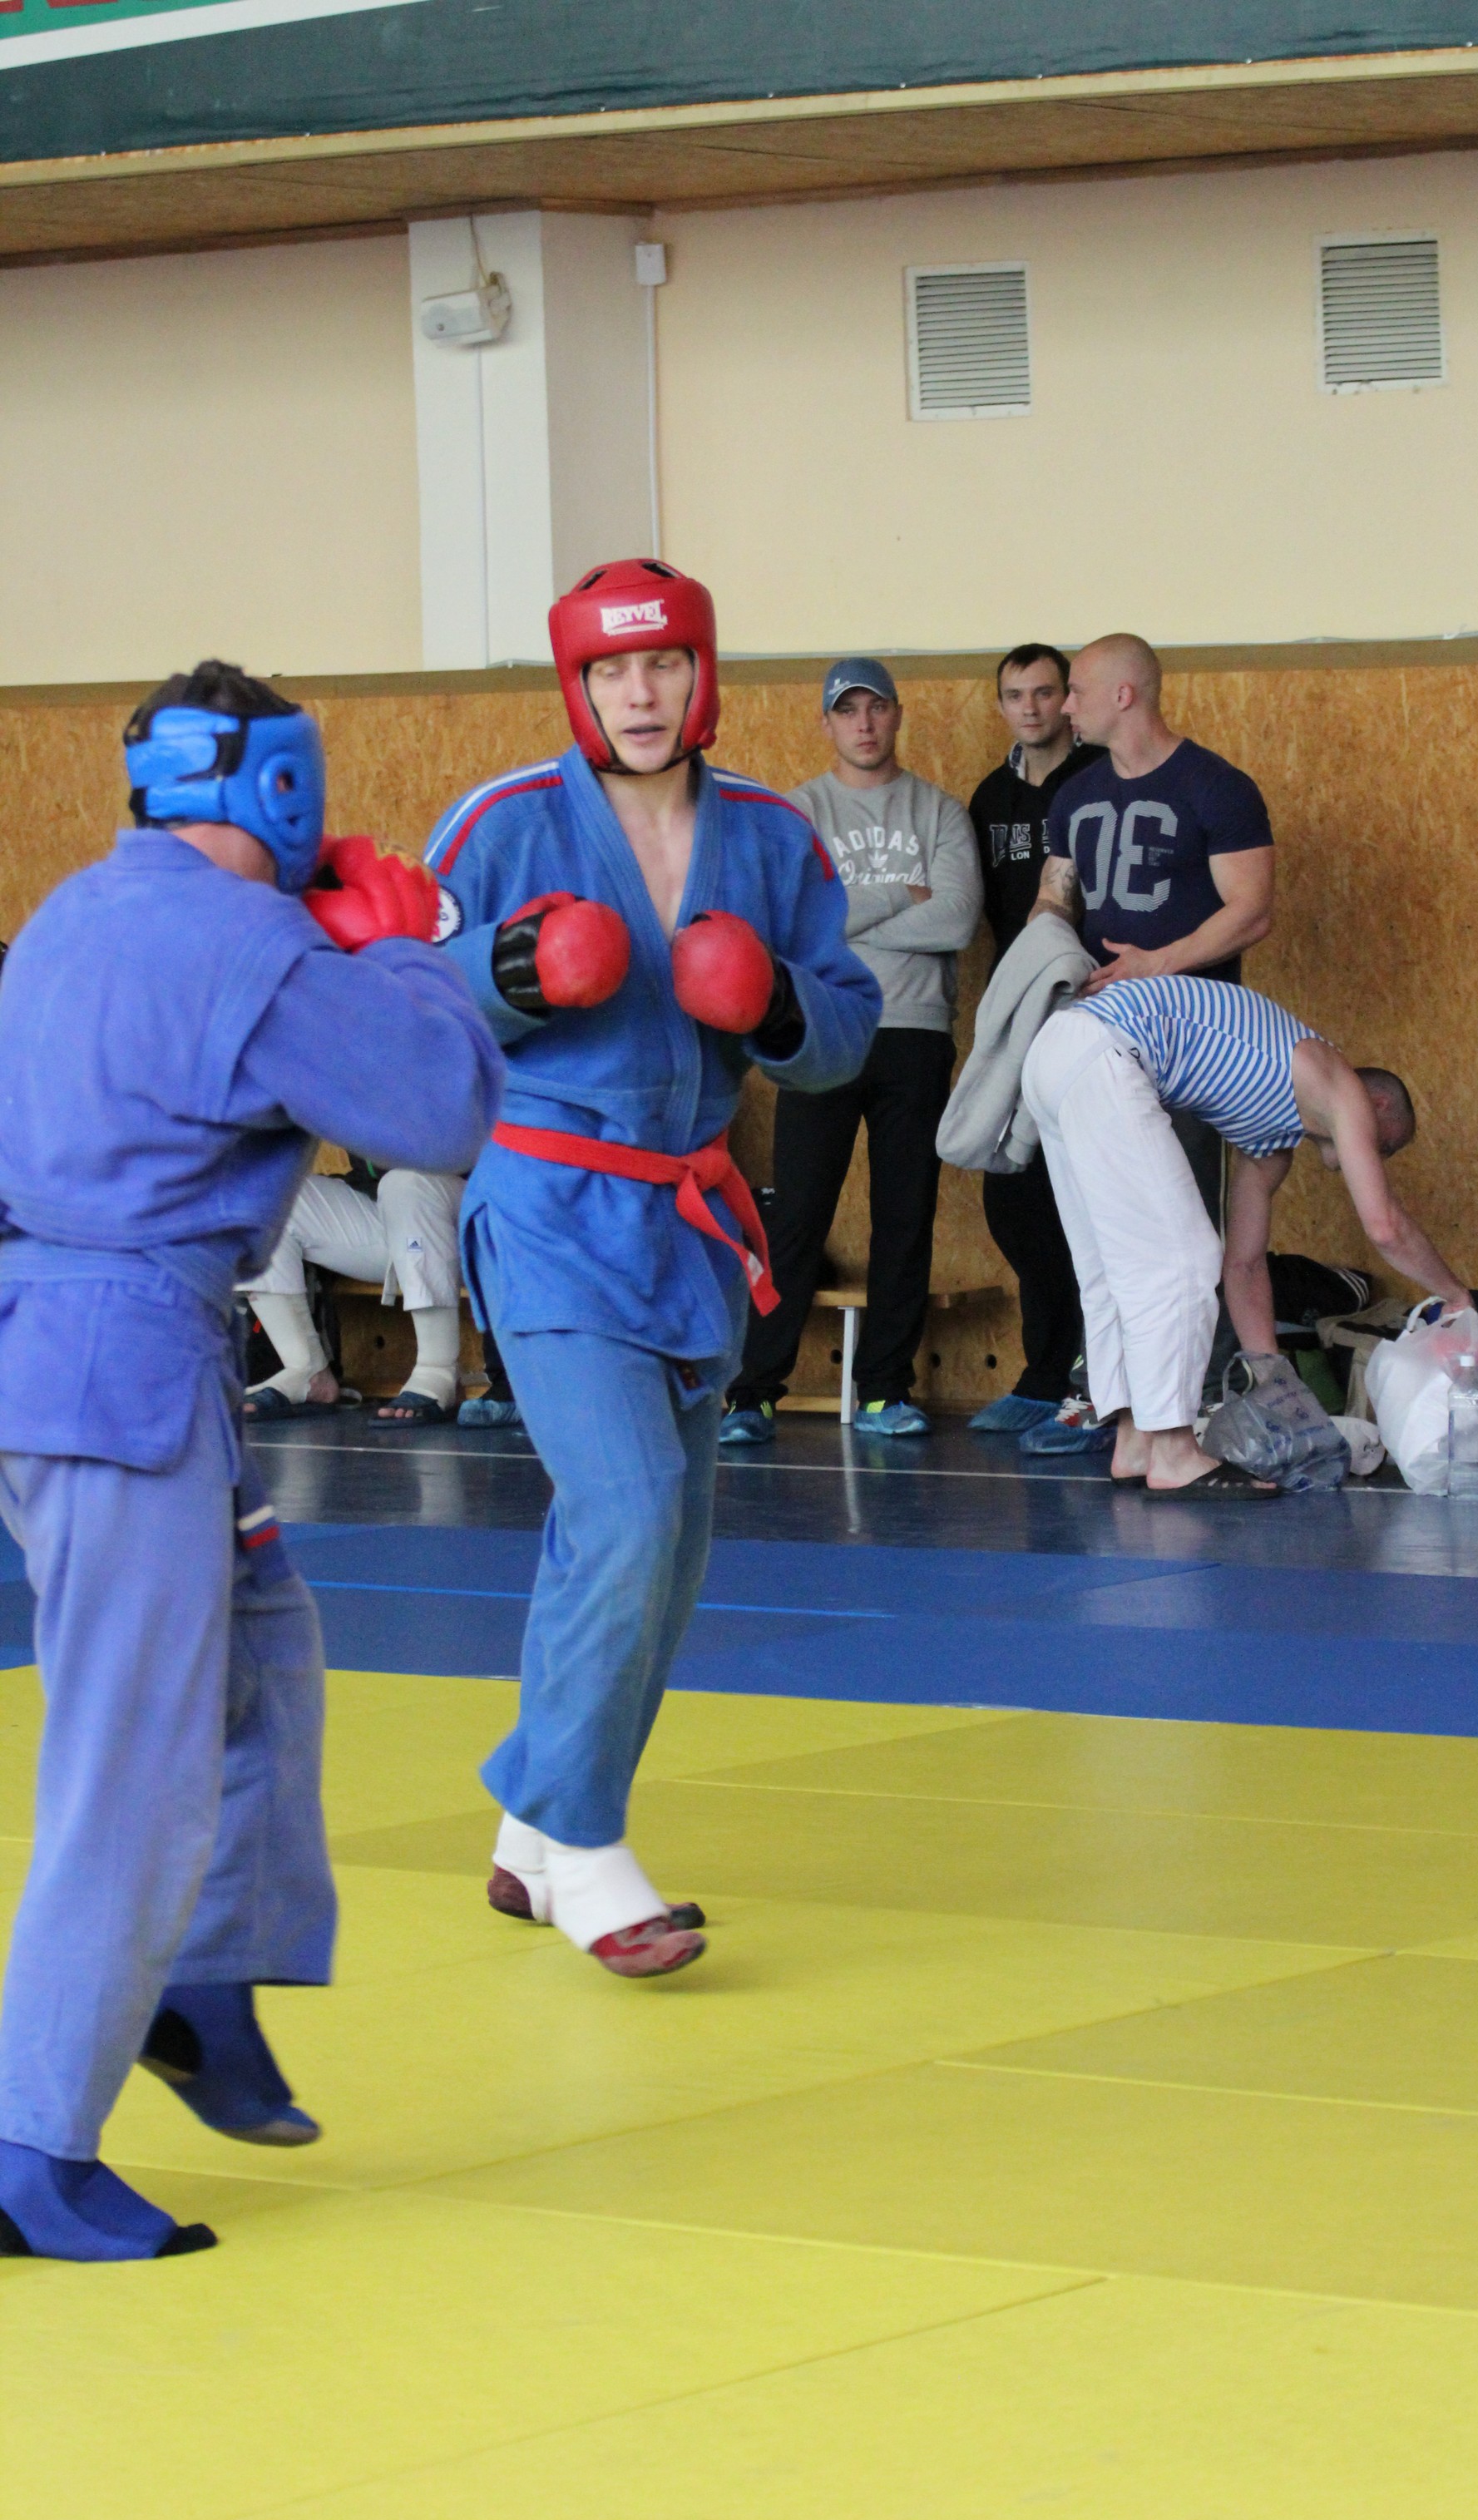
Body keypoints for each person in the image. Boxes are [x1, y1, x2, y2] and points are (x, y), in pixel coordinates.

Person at [0, 662, 502, 2262]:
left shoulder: (70, 914)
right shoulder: (242, 944)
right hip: (122, 1374)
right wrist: (407, 946)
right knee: (130, 1768)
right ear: (279, 789)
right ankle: (28, 2152)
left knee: (263, 1642)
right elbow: (441, 1106)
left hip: (71, 1355)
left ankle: (205, 1983)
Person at [429, 561, 877, 1979]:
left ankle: (526, 1827)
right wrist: (515, 971)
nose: (641, 693)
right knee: (625, 1512)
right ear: (578, 683)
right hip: (549, 1206)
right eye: (614, 670)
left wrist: (774, 1000)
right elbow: (405, 999)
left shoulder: (773, 837)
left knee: (657, 1552)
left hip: (687, 1221)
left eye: (664, 664)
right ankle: (584, 1848)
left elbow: (847, 1031)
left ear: (702, 673)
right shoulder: (502, 824)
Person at [1021, 975, 1470, 1492]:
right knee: (1185, 1261)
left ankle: (1135, 1443)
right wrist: (1455, 1295)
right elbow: (1384, 1225)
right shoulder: (1336, 1079)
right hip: (1101, 1047)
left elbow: (1245, 1265)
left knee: (1115, 1270)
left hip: (1054, 1059)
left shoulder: (1267, 1137)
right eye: (1388, 1145)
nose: (1379, 1155)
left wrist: (1275, 1380)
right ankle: (1174, 1453)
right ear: (1381, 1105)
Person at [1025, 631, 1277, 1455]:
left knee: (1186, 1227)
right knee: (1107, 1231)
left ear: (1124, 694)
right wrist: (1040, 975)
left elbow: (1251, 910)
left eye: (1076, 690)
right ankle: (1126, 1412)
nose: (1065, 705)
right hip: (1097, 1041)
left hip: (1193, 1040)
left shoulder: (1217, 787)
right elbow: (1053, 904)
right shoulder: (1071, 798)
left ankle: (1192, 1403)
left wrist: (1154, 966)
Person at [722, 656, 981, 1442]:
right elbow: (789, 925)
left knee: (905, 1218)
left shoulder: (940, 812)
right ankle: (752, 1393)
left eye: (876, 708)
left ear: (896, 714)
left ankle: (883, 1392)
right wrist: (902, 894)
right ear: (826, 723)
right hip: (823, 1031)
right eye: (847, 711)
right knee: (795, 1216)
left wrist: (845, 917)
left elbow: (955, 921)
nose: (863, 724)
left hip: (916, 1034)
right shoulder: (798, 813)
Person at [965, 644, 1100, 1433]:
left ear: (1068, 700)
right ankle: (1043, 1374)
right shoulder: (989, 797)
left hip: (1094, 1007)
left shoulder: (1099, 782)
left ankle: (1088, 1380)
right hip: (1017, 1013)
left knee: (1089, 1196)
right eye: (1015, 695)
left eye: (1045, 692)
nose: (1031, 707)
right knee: (1013, 1196)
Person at [241, 1160, 467, 1424]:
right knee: (255, 1193)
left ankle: (439, 1370)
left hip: (469, 1217)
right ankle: (307, 1370)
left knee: (406, 1182)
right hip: (384, 1208)